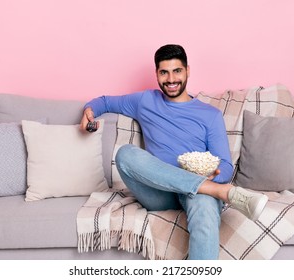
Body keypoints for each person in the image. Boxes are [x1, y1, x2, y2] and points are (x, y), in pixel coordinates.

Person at [80, 44, 268, 260]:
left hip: (197, 192)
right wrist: (89, 111)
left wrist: (215, 175)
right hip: (158, 193)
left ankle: (211, 191)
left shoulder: (210, 115)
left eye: (177, 71)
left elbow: (225, 164)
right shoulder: (145, 101)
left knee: (206, 206)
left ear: (187, 70)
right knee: (126, 154)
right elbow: (105, 101)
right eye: (164, 72)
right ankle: (222, 192)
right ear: (157, 74)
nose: (171, 79)